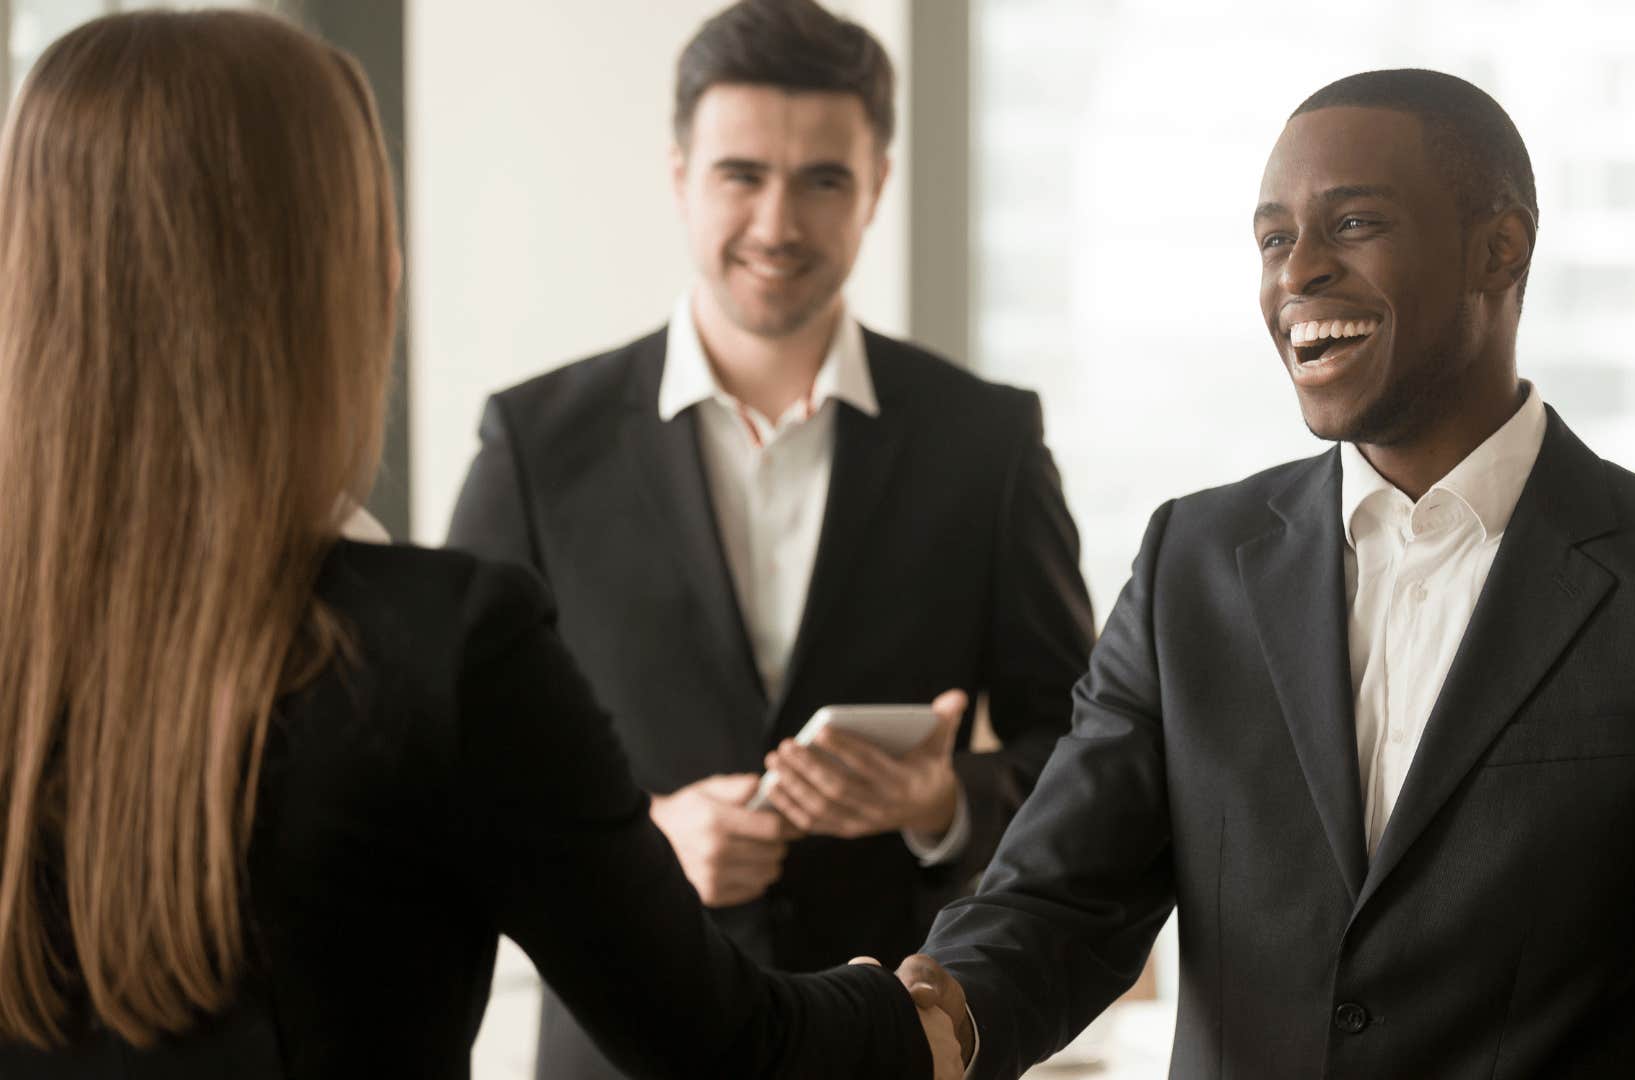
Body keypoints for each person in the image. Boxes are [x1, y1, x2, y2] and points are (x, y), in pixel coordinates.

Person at [898, 69, 1635, 1078]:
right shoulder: (1189, 568)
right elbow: (1055, 907)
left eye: (1352, 225)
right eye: (1273, 238)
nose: (1298, 272)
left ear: (1500, 248)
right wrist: (899, 1031)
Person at [0, 11, 959, 1078]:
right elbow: (733, 1044)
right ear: (346, 276)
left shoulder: (978, 437)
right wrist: (938, 1015)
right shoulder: (439, 647)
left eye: (823, 179)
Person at [444, 3, 1092, 1078]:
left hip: (890, 1045)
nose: (779, 222)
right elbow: (449, 773)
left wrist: (943, 804)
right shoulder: (534, 441)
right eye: (742, 174)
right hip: (617, 1052)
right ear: (679, 174)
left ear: (878, 182)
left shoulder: (988, 441)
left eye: (823, 180)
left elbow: (1084, 764)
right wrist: (639, 848)